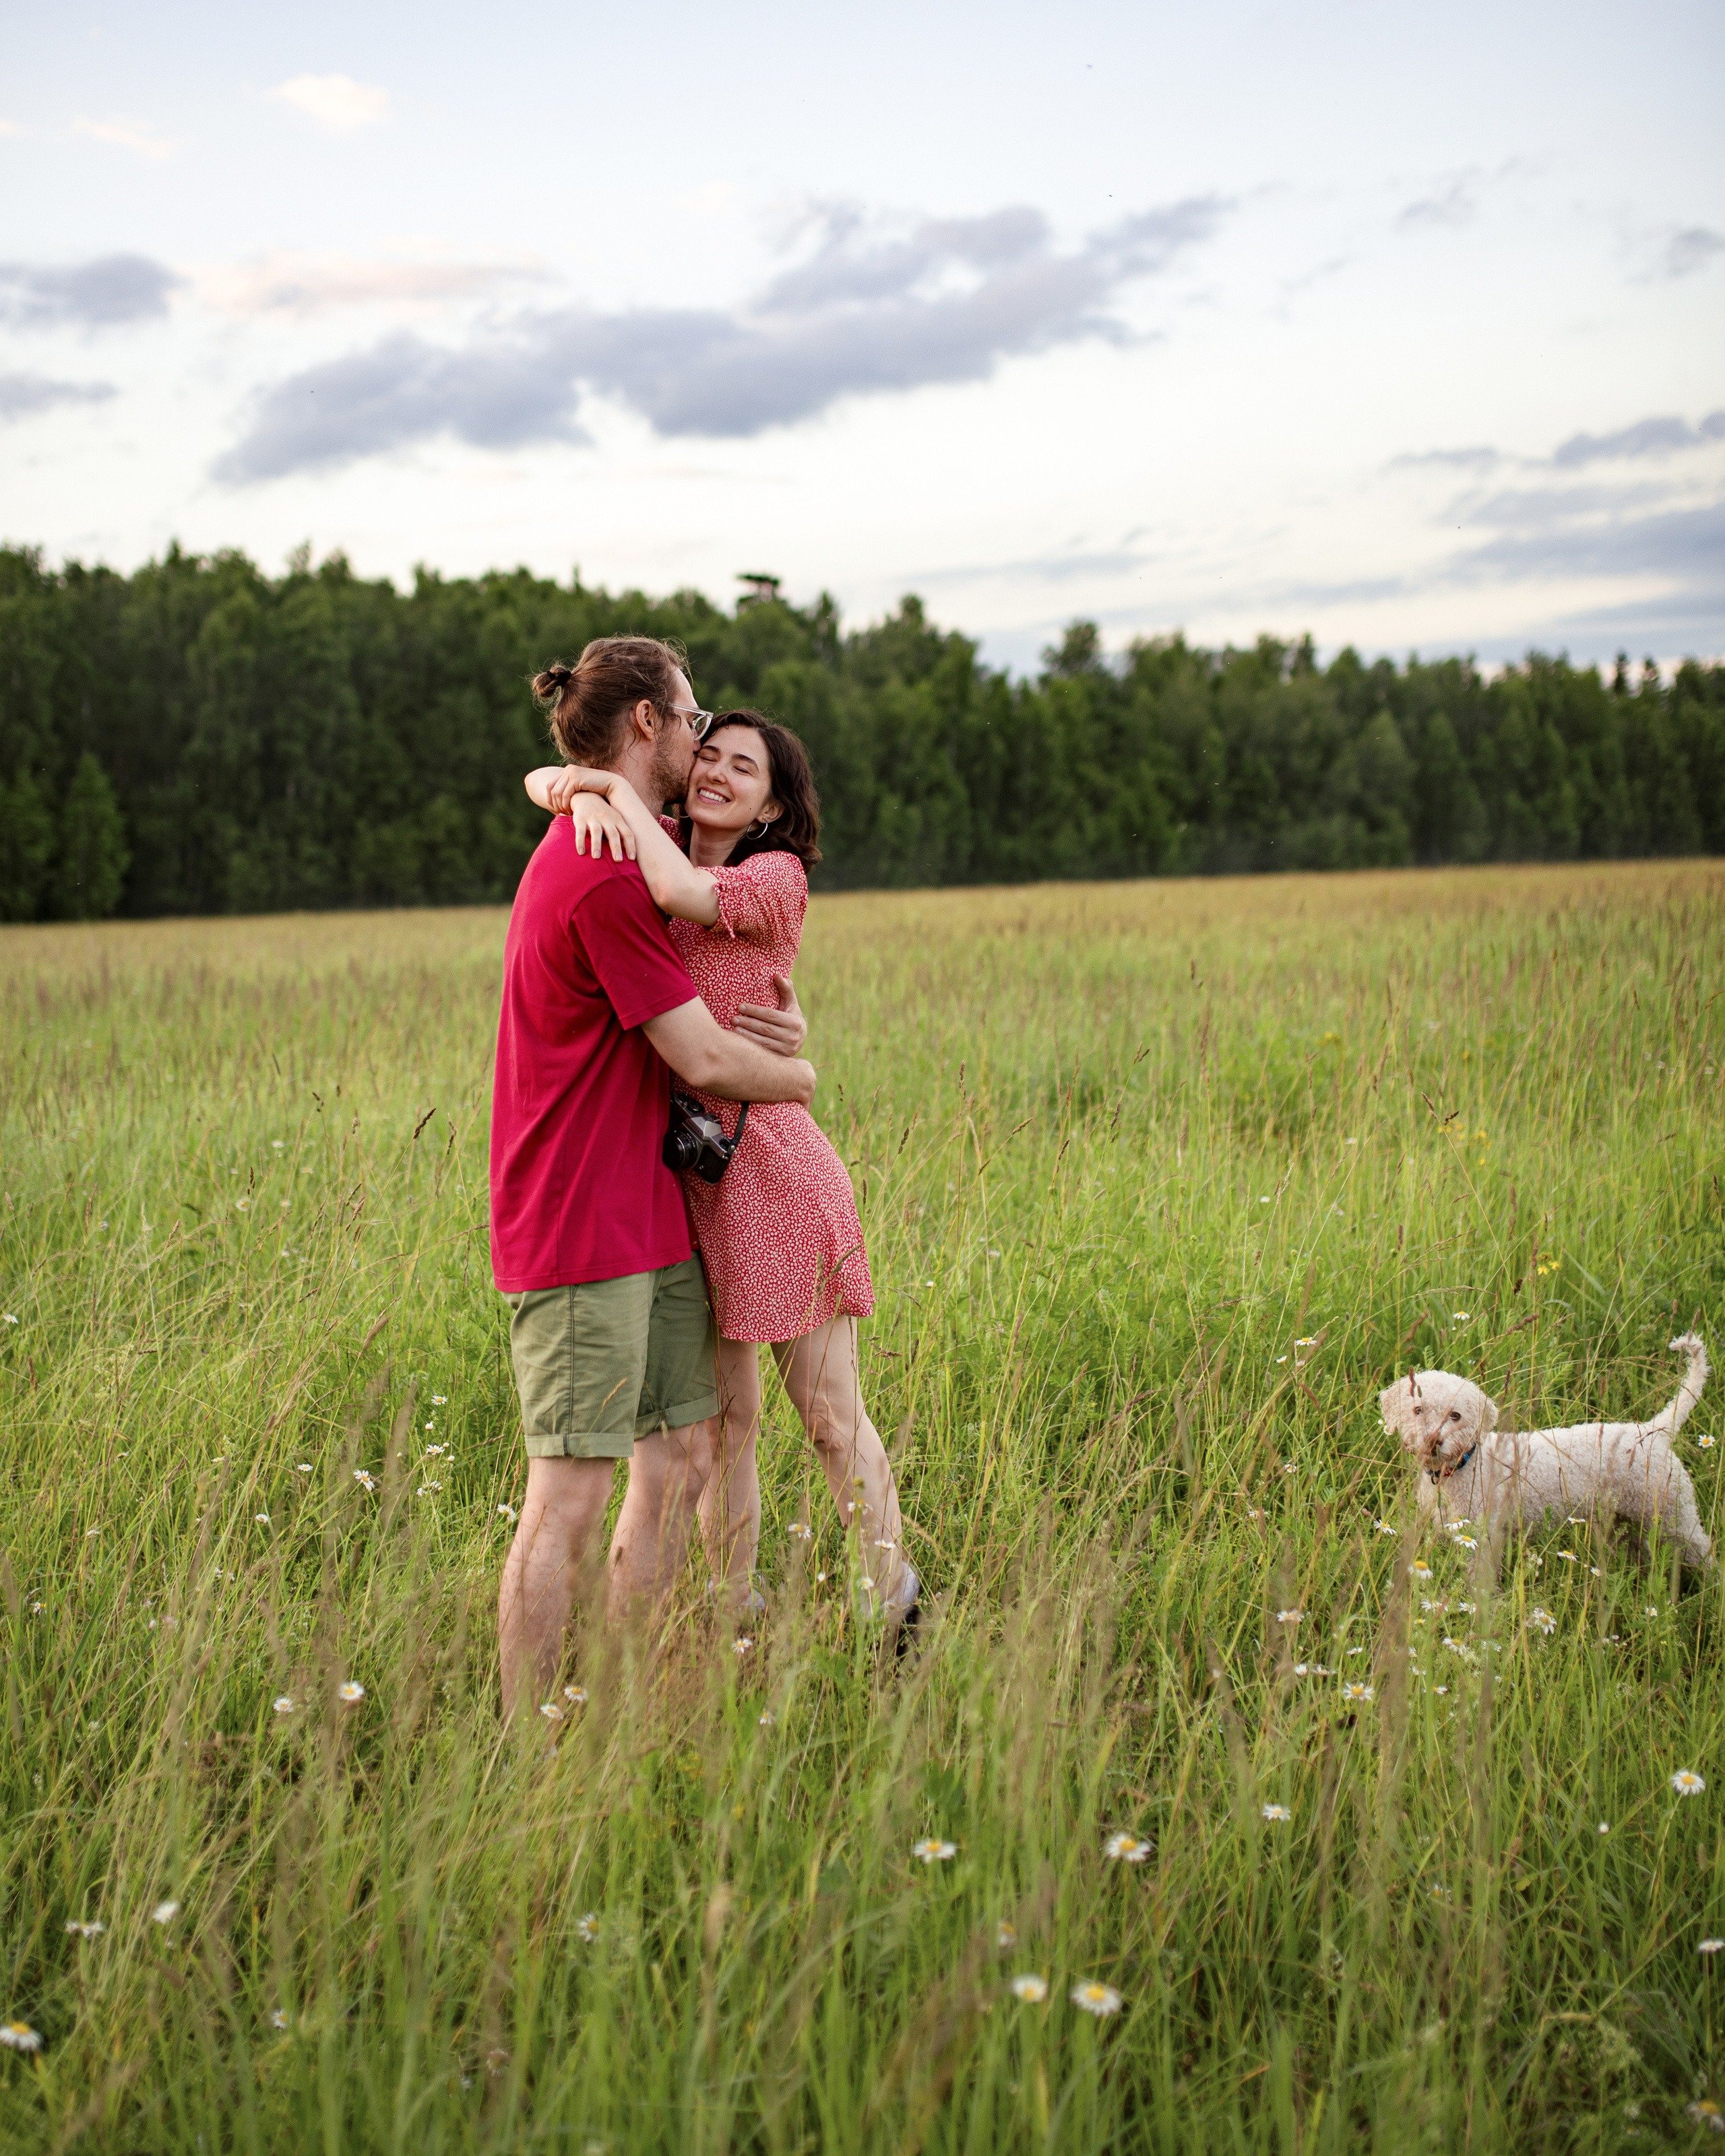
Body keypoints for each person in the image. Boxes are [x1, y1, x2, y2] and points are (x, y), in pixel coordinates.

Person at [524, 712, 920, 1636]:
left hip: (777, 1177)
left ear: (774, 802)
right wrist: (570, 784)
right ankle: (731, 1604)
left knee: (827, 1415)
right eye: (708, 755)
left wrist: (608, 788)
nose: (718, 773)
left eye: (745, 768)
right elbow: (541, 782)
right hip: (697, 1182)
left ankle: (891, 1605)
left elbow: (678, 892)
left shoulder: (771, 878)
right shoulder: (651, 837)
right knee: (722, 1425)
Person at [493, 642, 816, 1719]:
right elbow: (709, 1060)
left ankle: (631, 1705)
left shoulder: (636, 834)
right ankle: (533, 1749)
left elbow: (576, 788)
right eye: (691, 717)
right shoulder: (598, 873)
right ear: (645, 722)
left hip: (652, 1214)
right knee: (568, 1496)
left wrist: (570, 777)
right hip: (579, 1222)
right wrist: (803, 1071)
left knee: (683, 1452)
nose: (701, 737)